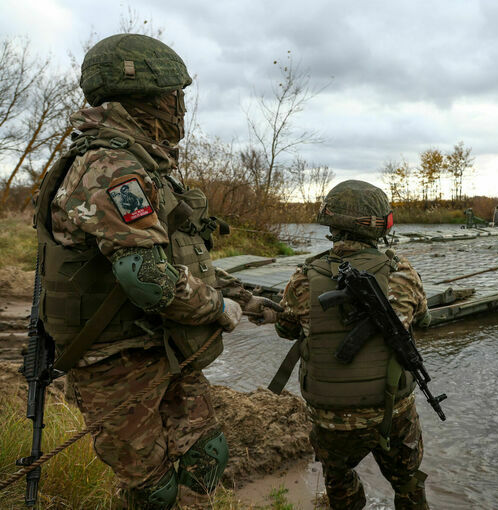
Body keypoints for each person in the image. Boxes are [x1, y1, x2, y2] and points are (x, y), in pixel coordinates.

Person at [34, 33, 280, 509]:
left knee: (207, 453)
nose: (180, 107)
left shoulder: (148, 164)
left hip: (160, 344)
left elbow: (181, 258)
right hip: (113, 359)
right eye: (175, 96)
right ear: (149, 98)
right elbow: (147, 277)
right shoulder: (109, 167)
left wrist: (247, 299)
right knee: (153, 491)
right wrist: (218, 307)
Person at [273, 180, 432, 509]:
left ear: (330, 223)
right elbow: (423, 321)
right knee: (407, 481)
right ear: (382, 226)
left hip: (331, 417)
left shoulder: (303, 277)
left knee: (338, 477)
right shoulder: (402, 273)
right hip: (392, 411)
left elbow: (286, 329)